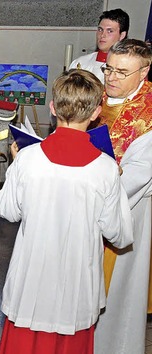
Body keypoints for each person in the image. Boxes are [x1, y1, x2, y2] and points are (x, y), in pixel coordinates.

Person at [0, 69, 133, 354]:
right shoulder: (106, 168)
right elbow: (118, 233)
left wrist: (15, 164)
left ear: (53, 108)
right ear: (97, 112)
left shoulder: (28, 159)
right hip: (76, 284)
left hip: (31, 281)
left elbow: (8, 210)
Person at [94, 39, 152, 354]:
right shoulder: (98, 99)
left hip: (128, 211)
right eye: (109, 69)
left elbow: (136, 177)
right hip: (92, 202)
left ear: (144, 72)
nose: (112, 78)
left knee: (116, 295)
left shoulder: (149, 115)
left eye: (122, 72)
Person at [70, 9, 129, 83]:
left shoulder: (128, 69)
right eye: (100, 30)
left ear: (122, 35)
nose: (102, 35)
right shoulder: (80, 63)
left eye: (110, 31)